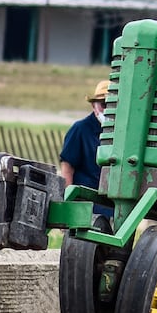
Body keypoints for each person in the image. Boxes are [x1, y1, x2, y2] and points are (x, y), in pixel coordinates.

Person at [60, 79, 110, 217]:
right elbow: (67, 169)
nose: (107, 110)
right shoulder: (80, 129)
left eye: (113, 105)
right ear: (94, 106)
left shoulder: (122, 133)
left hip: (112, 207)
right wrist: (68, 205)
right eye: (103, 105)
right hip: (85, 206)